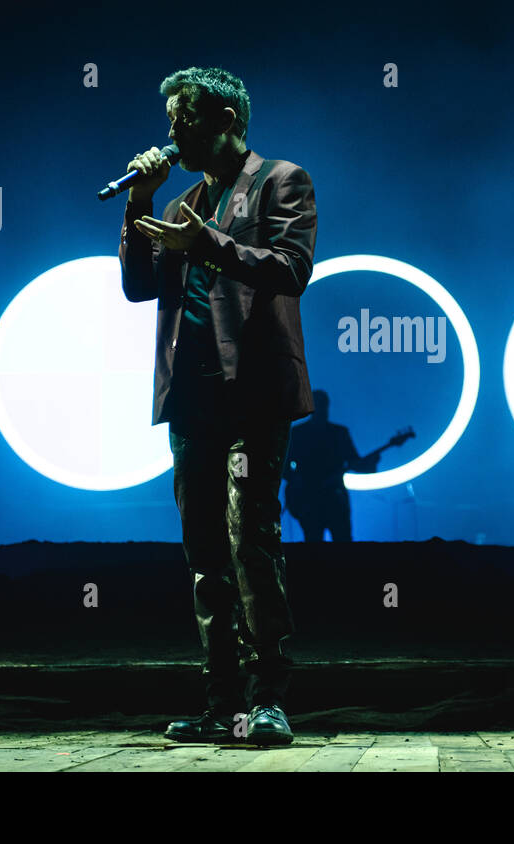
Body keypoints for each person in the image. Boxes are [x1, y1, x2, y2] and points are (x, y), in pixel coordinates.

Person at [118, 66, 316, 747]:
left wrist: (208, 243)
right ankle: (221, 702)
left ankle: (267, 700)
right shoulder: (178, 204)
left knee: (249, 543)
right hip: (192, 400)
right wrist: (138, 200)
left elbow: (291, 267)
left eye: (184, 119)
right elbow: (140, 288)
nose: (171, 132)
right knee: (205, 553)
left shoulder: (280, 180)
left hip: (252, 395)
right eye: (170, 120)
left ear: (225, 119)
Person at [282, 390, 380, 541]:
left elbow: (356, 464)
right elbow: (284, 467)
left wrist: (371, 463)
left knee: (325, 543)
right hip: (321, 500)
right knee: (328, 543)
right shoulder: (305, 434)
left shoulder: (301, 433)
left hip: (326, 500)